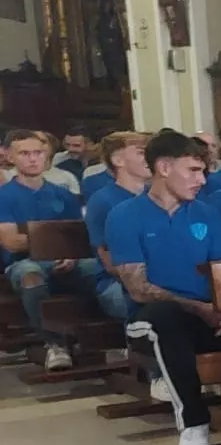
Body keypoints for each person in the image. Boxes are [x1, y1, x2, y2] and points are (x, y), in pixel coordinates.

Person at [107, 130, 221, 445]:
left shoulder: (207, 214)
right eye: (193, 170)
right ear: (164, 168)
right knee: (168, 319)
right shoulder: (124, 215)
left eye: (203, 171)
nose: (202, 180)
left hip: (207, 314)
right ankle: (193, 421)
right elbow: (139, 290)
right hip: (148, 321)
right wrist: (199, 308)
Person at [0, 129, 100, 371]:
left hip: (68, 260)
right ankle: (54, 345)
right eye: (24, 153)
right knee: (30, 276)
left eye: (38, 152)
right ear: (10, 157)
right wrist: (52, 240)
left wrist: (69, 254)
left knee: (102, 269)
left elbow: (76, 235)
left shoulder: (63, 194)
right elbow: (11, 242)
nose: (33, 159)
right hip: (23, 262)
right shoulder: (4, 196)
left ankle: (106, 338)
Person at [84, 130, 150, 323]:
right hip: (116, 284)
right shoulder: (103, 200)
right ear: (118, 160)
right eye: (140, 152)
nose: (149, 158)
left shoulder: (157, 197)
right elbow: (110, 262)